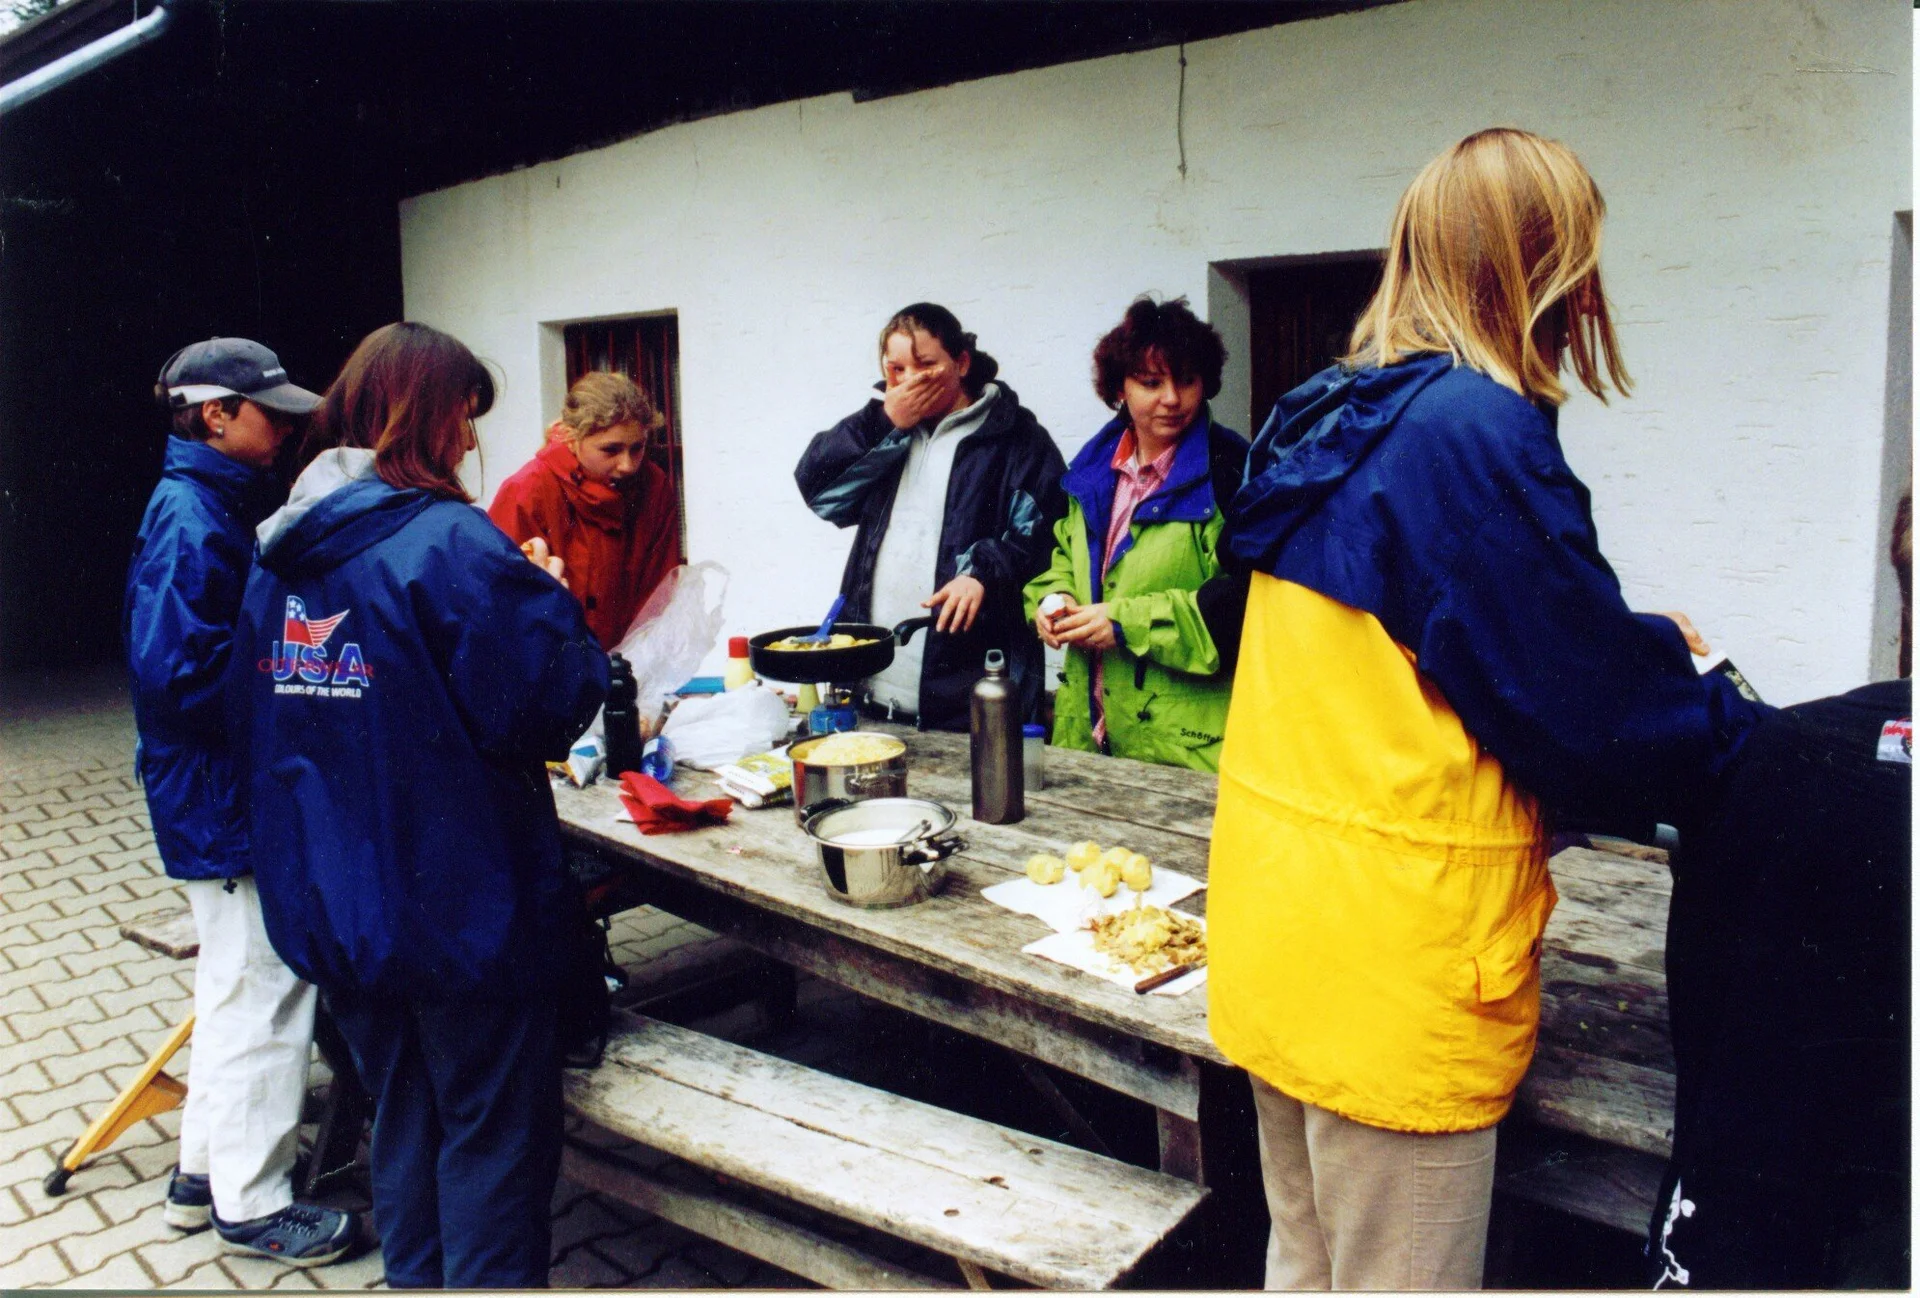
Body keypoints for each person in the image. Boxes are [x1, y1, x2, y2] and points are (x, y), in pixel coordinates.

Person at [1205, 128, 1768, 1290]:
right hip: (1394, 980)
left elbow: (1434, 646)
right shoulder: (1469, 434)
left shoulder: (1323, 411)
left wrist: (1634, 639)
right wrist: (1756, 736)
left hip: (1283, 940)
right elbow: (1595, 725)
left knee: (1302, 1264)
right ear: (1547, 270)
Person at [231, 322, 609, 1288]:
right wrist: (546, 600)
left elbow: (264, 727)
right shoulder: (447, 540)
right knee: (490, 1137)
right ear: (424, 415)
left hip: (340, 909)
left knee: (402, 1116)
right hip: (460, 912)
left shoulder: (278, 553)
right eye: (465, 417)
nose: (471, 441)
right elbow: (544, 708)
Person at [124, 337, 358, 1265]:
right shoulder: (195, 515)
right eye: (271, 411)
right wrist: (290, 682)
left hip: (213, 791)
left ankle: (200, 1179)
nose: (289, 427)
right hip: (221, 798)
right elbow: (174, 677)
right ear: (215, 415)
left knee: (231, 987)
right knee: (267, 989)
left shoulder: (210, 500)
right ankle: (253, 1204)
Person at [795, 303, 1066, 730]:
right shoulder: (887, 435)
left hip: (974, 699)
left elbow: (1050, 537)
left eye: (925, 365)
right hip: (870, 691)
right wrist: (883, 421)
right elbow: (821, 494)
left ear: (962, 363)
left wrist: (983, 573)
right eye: (896, 369)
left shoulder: (1018, 439)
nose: (910, 381)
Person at [1023, 297, 1248, 770]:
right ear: (1119, 388)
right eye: (1151, 382)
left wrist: (1125, 623)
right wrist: (1053, 598)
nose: (1172, 398)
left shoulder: (1232, 473)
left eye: (1187, 380)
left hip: (1183, 749)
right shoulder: (1090, 471)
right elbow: (1063, 556)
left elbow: (1241, 606)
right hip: (1084, 733)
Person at [488, 370, 679, 649]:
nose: (627, 465)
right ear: (571, 438)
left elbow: (659, 591)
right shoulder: (527, 491)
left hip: (632, 657)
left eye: (637, 448)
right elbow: (504, 602)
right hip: (551, 659)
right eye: (610, 450)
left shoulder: (654, 486)